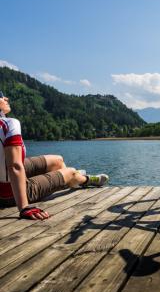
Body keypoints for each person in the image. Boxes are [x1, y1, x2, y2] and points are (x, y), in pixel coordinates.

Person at [0, 91, 109, 220]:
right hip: (8, 193)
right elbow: (15, 166)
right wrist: (24, 207)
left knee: (57, 160)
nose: (5, 98)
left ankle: (72, 181)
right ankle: (83, 179)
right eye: (1, 96)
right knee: (71, 172)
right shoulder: (9, 124)